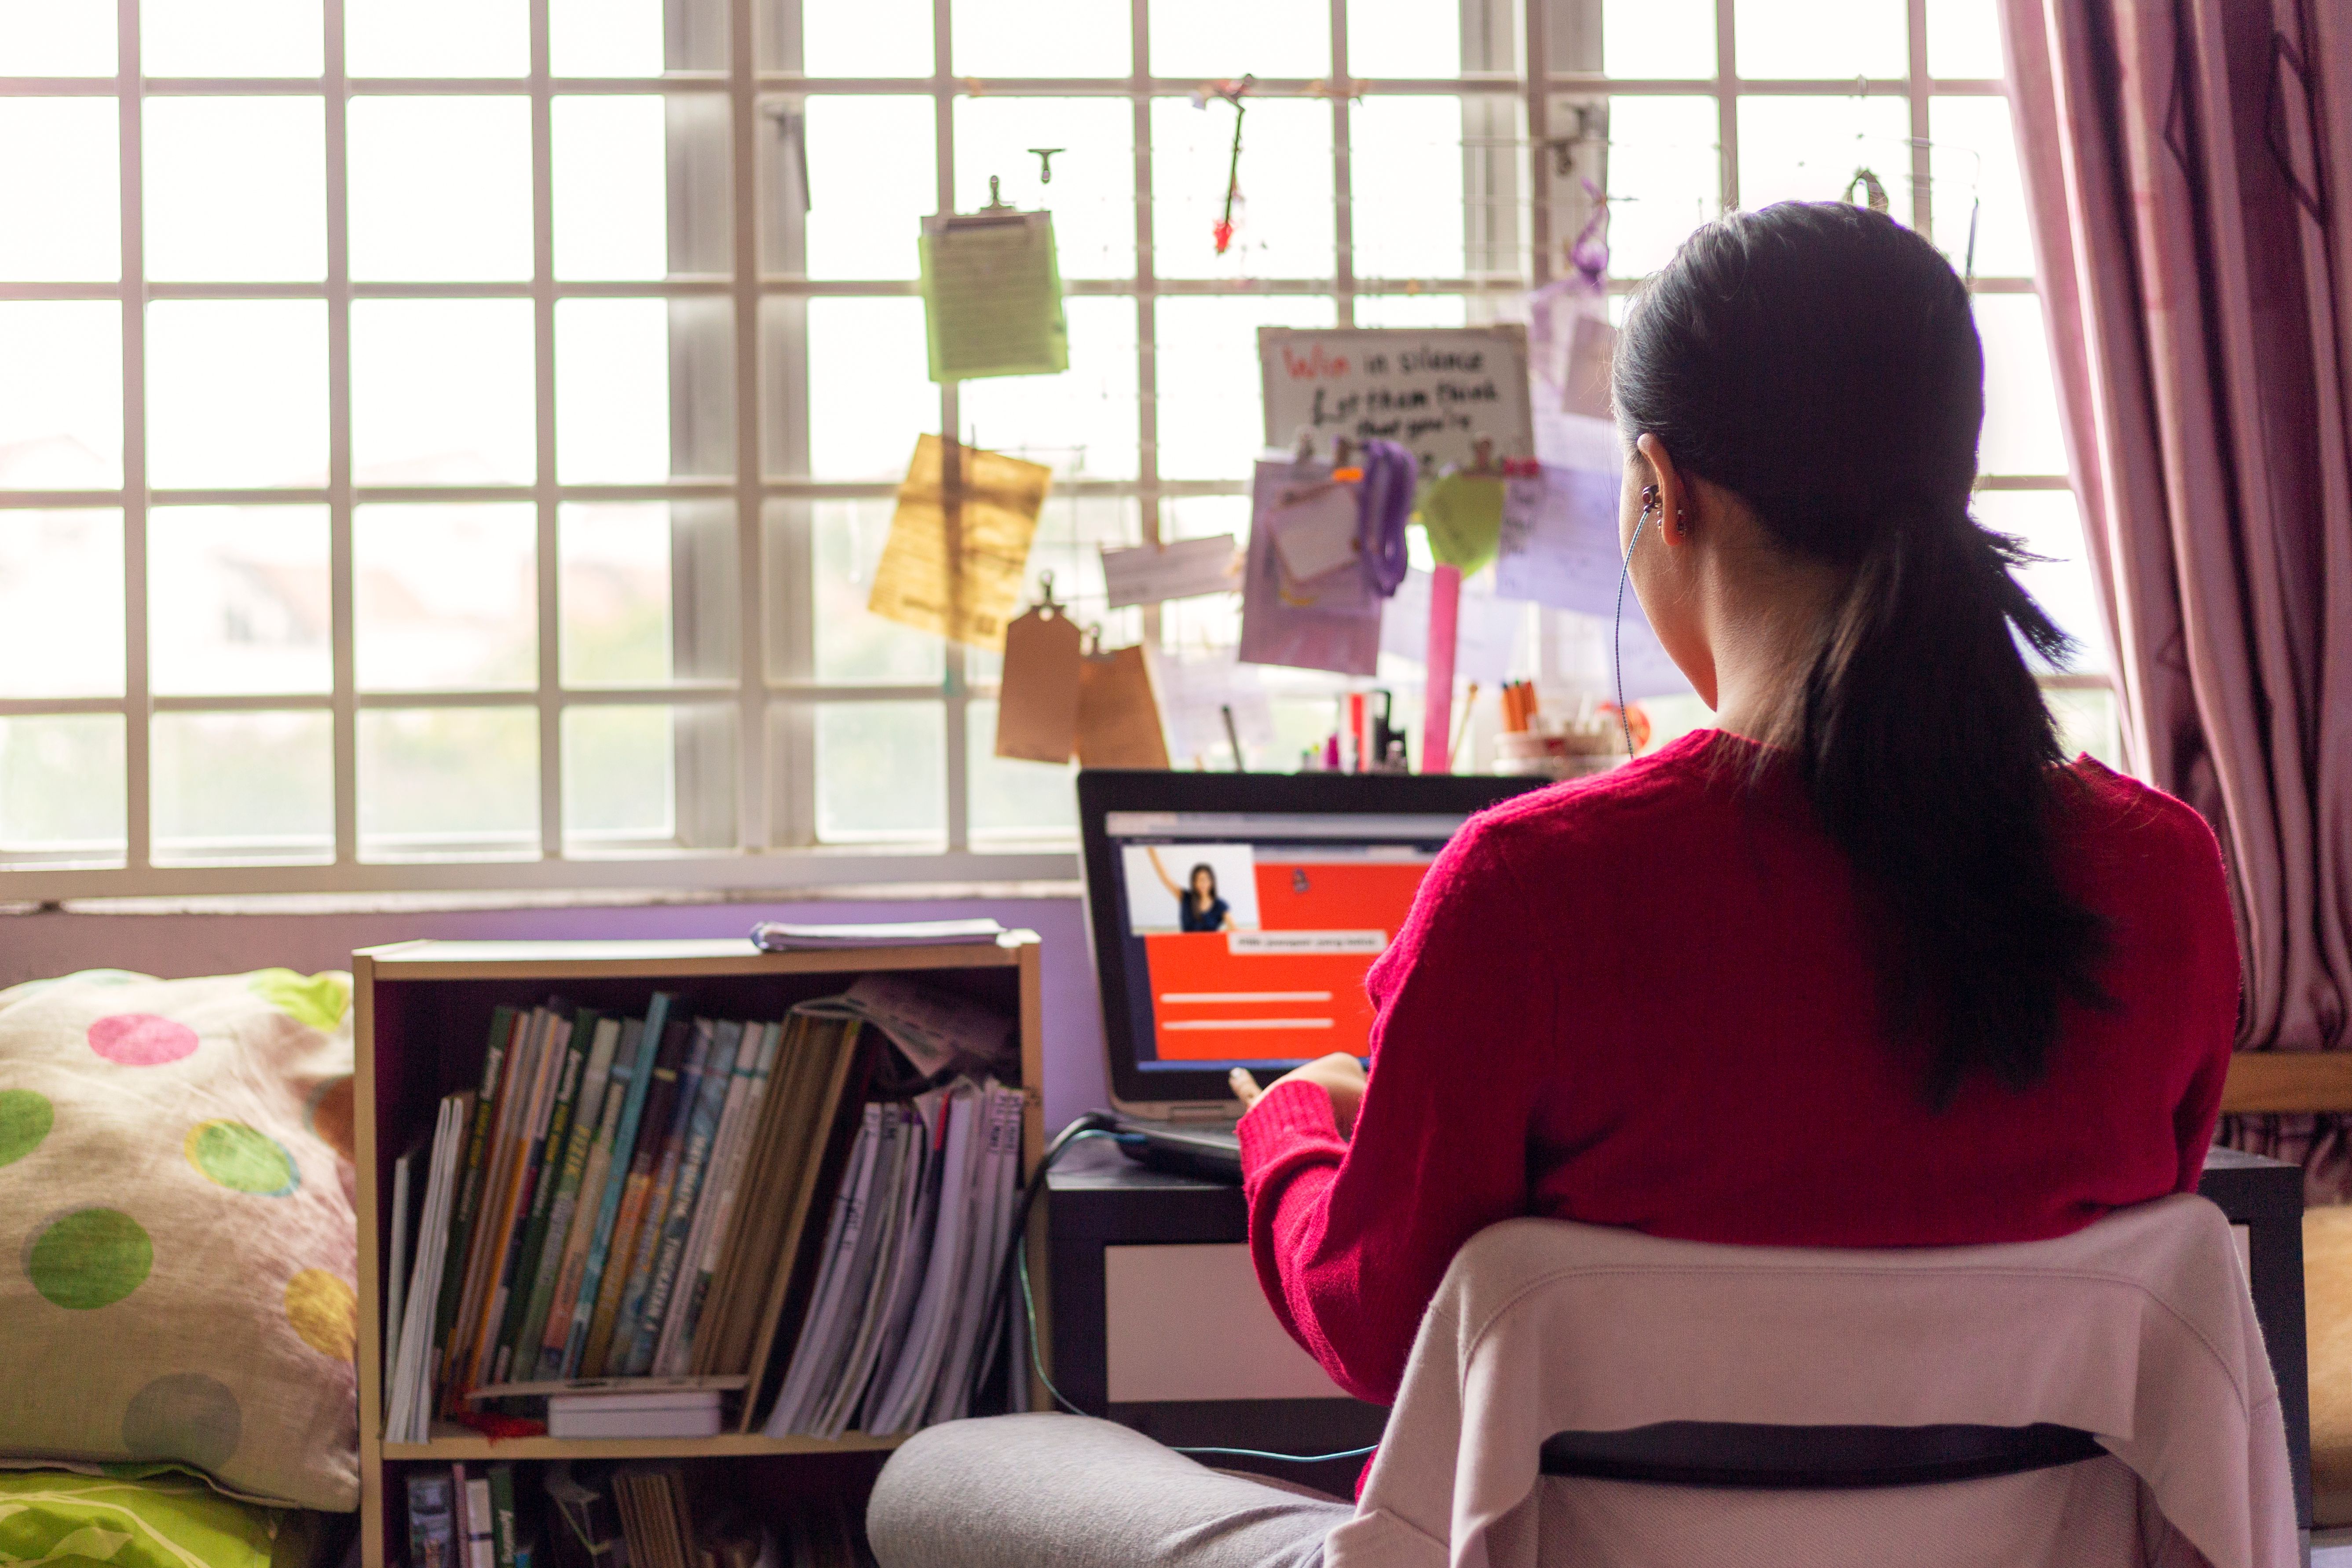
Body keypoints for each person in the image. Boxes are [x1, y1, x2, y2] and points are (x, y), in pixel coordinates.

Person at [865, 202, 2240, 1568]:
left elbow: (1371, 1323)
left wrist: (1293, 1122)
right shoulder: (2164, 877)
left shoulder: (1536, 890)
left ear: (1662, 486)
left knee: (947, 1470)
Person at [1147, 849, 1237, 933]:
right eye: (1198, 880)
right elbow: (1165, 878)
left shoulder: (1220, 905)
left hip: (1209, 949)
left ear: (1212, 882)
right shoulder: (1185, 898)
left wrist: (1214, 939)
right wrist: (1151, 851)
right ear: (1194, 882)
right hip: (1186, 948)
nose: (1202, 883)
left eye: (1206, 879)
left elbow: (1234, 929)